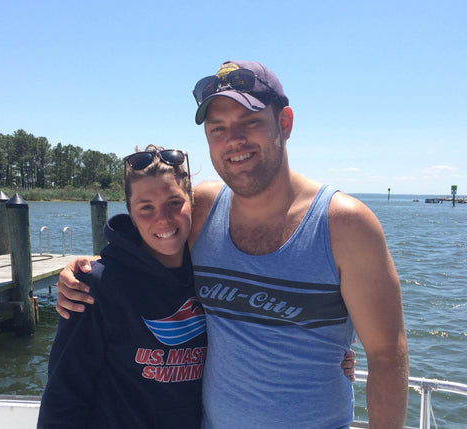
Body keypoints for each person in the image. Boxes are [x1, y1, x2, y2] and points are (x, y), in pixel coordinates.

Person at [56, 60, 408, 428]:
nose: (233, 140)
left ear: (284, 123)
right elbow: (149, 244)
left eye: (250, 121)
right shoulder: (204, 209)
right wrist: (85, 272)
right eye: (218, 128)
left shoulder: (346, 225)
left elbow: (386, 355)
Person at [38, 146, 207, 428]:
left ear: (192, 200)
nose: (162, 218)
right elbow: (64, 394)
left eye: (174, 202)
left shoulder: (212, 273)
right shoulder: (96, 285)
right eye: (146, 207)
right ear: (129, 212)